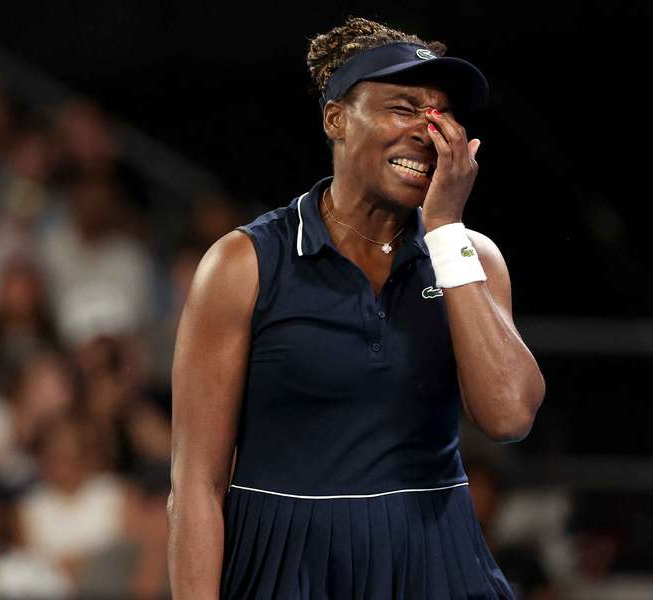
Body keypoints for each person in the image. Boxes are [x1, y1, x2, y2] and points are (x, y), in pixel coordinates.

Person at [169, 17, 545, 600]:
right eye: (403, 107)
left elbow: (509, 417)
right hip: (285, 566)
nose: (428, 130)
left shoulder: (470, 258)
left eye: (441, 114)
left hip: (435, 562)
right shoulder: (243, 265)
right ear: (336, 118)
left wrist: (445, 232)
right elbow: (196, 482)